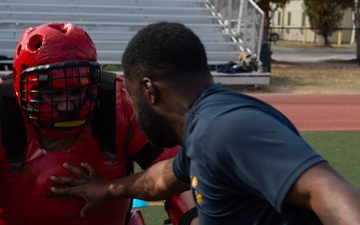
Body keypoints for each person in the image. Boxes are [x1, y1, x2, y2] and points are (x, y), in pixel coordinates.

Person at [50, 22, 360, 225]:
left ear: (150, 90)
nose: (131, 106)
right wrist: (107, 189)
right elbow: (165, 178)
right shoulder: (200, 132)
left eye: (131, 96)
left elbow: (327, 190)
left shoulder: (224, 129)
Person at [0, 22, 187, 225]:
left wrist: (112, 188)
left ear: (91, 83)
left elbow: (180, 172)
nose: (65, 106)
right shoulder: (3, 110)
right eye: (52, 93)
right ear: (21, 84)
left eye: (76, 92)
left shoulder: (117, 105)